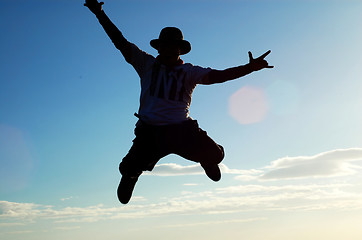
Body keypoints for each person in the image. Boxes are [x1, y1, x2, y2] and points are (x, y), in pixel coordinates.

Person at [84, 0, 273, 204]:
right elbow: (119, 41)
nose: (167, 49)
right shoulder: (146, 63)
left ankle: (207, 160)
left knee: (216, 155)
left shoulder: (189, 72)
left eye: (172, 45)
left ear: (179, 49)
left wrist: (249, 68)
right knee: (127, 168)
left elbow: (219, 76)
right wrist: (99, 13)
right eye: (164, 45)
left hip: (182, 130)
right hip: (151, 132)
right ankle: (132, 175)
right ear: (159, 47)